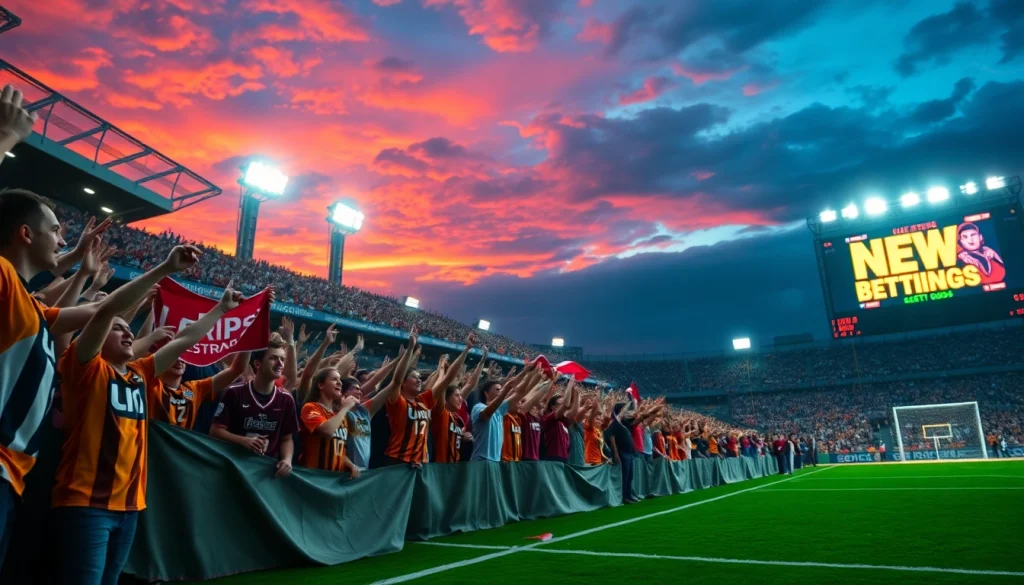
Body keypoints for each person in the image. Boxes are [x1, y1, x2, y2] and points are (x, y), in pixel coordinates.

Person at [52, 244, 221, 585]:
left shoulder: (140, 373)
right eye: (119, 329)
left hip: (131, 506)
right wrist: (165, 268)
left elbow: (186, 338)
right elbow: (107, 310)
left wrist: (222, 309)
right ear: (97, 335)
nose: (128, 332)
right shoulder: (84, 367)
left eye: (128, 329)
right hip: (86, 503)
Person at [0, 184, 113, 564]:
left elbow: (97, 310)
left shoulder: (29, 304)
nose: (63, 239)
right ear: (25, 233)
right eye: (54, 230)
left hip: (13, 472)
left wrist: (79, 262)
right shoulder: (4, 277)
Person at [210, 335, 299, 478]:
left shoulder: (286, 399)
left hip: (265, 473)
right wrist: (243, 441)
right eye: (273, 358)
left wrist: (287, 459)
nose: (280, 363)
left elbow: (287, 439)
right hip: (232, 467)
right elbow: (215, 431)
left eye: (282, 359)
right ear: (257, 363)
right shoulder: (234, 392)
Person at [607, 402, 637, 504]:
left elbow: (637, 416)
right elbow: (612, 438)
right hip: (623, 453)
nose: (627, 412)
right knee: (625, 476)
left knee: (630, 476)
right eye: (624, 410)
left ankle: (629, 495)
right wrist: (615, 453)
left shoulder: (624, 423)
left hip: (629, 453)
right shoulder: (616, 423)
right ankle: (624, 497)